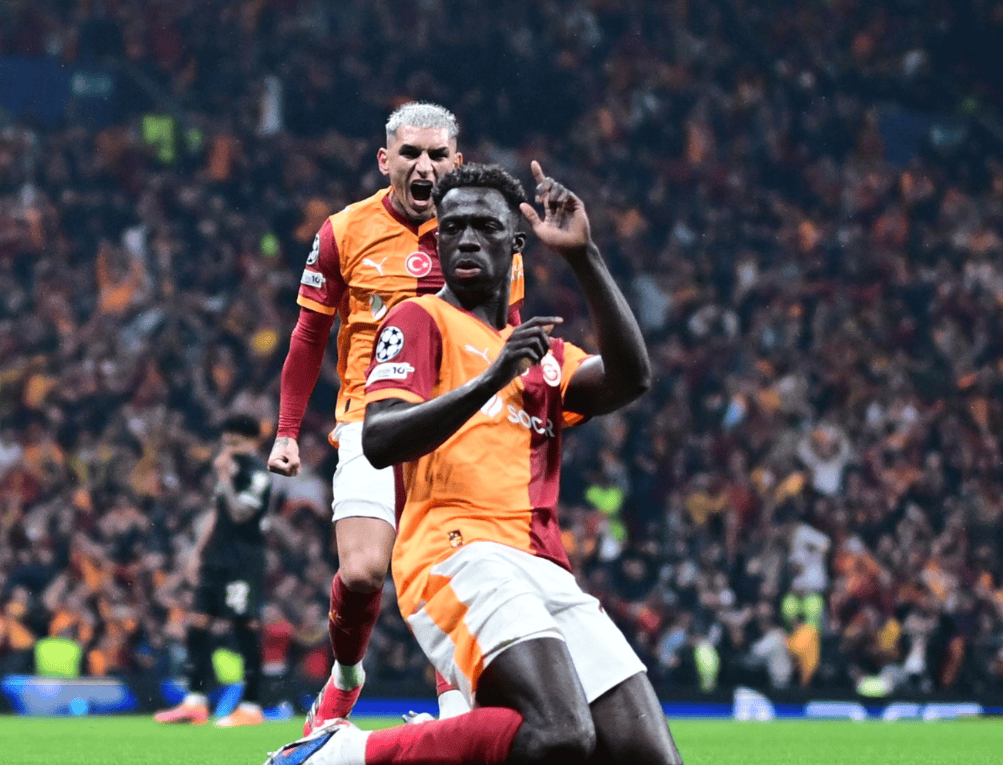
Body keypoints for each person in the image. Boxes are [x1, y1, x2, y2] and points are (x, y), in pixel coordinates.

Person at [263, 163, 684, 765]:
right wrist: (491, 378)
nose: (465, 238)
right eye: (453, 227)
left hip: (544, 565)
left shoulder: (541, 355)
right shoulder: (418, 321)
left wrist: (584, 255)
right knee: (561, 733)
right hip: (454, 554)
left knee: (647, 754)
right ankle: (350, 754)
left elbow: (631, 378)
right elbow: (380, 438)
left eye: (484, 227)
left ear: (516, 244)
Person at [267, 102, 525, 733]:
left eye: (437, 155)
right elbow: (308, 335)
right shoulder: (344, 231)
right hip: (371, 418)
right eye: (411, 153)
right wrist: (287, 431)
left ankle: (454, 707)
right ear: (386, 160)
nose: (424, 166)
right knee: (361, 573)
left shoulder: (485, 236)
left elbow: (509, 337)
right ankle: (345, 677)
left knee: (453, 568)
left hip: (457, 424)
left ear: (457, 162)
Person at [155, 414, 273, 727]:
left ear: (249, 442)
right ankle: (195, 701)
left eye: (233, 440)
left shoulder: (256, 474)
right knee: (197, 623)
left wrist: (224, 477)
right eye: (226, 439)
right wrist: (197, 551)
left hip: (243, 560)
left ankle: (251, 706)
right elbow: (218, 515)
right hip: (216, 558)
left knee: (244, 626)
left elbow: (240, 514)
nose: (227, 446)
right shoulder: (231, 472)